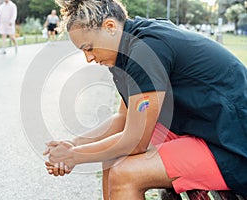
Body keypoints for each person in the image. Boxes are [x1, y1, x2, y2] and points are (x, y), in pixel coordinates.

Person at [43, 0, 247, 199]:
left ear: (110, 26)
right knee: (111, 157)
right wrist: (74, 144)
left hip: (232, 143)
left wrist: (75, 156)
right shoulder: (124, 50)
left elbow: (136, 142)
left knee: (125, 175)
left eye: (89, 48)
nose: (89, 58)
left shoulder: (144, 51)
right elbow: (122, 119)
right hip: (205, 129)